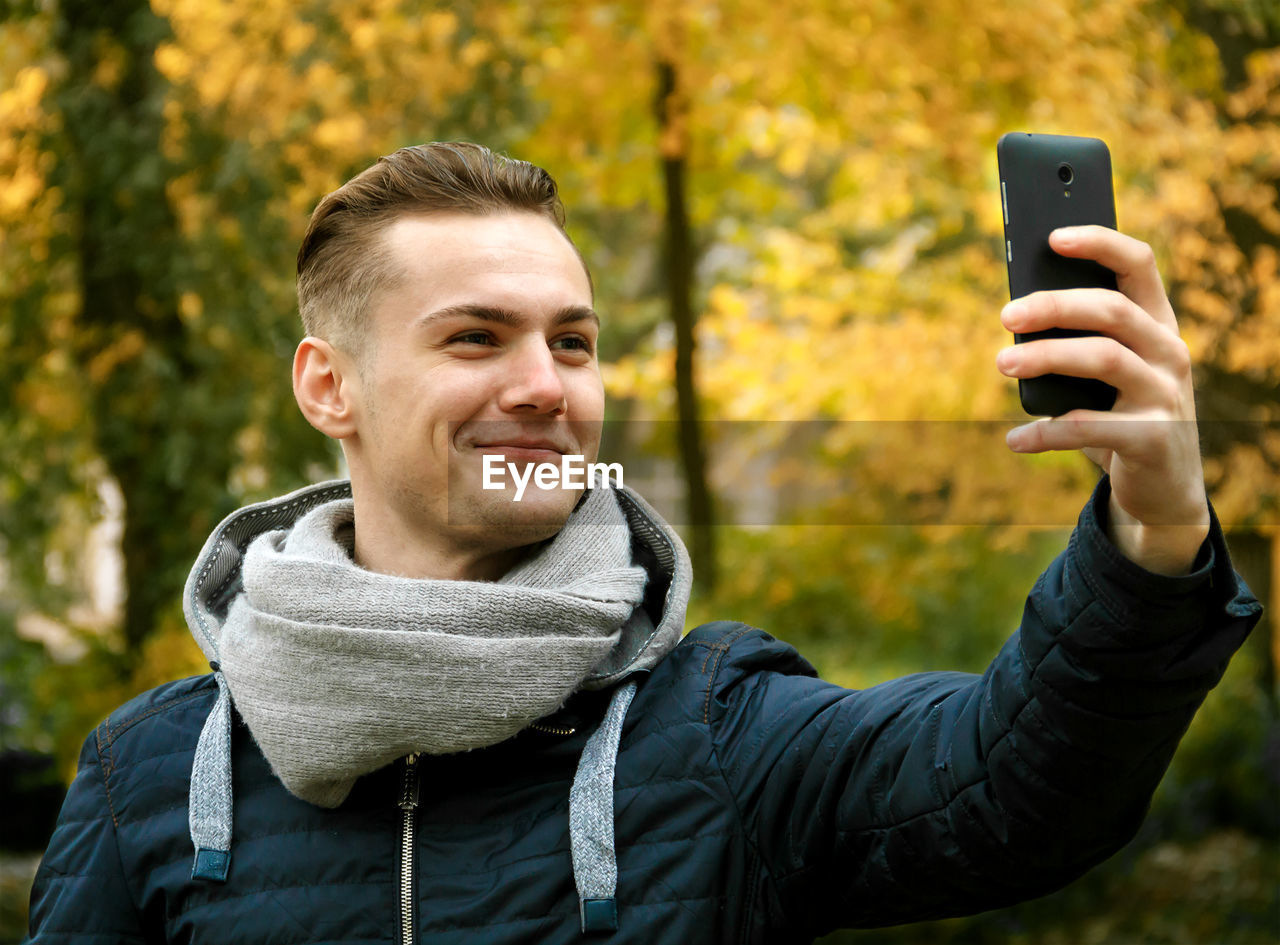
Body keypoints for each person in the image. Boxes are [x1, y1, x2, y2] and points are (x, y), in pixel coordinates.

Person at [25, 142, 1261, 944]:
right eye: (474, 340)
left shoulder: (711, 726)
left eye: (571, 342)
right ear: (326, 385)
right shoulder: (152, 775)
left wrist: (1150, 530)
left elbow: (1014, 789)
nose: (544, 385)